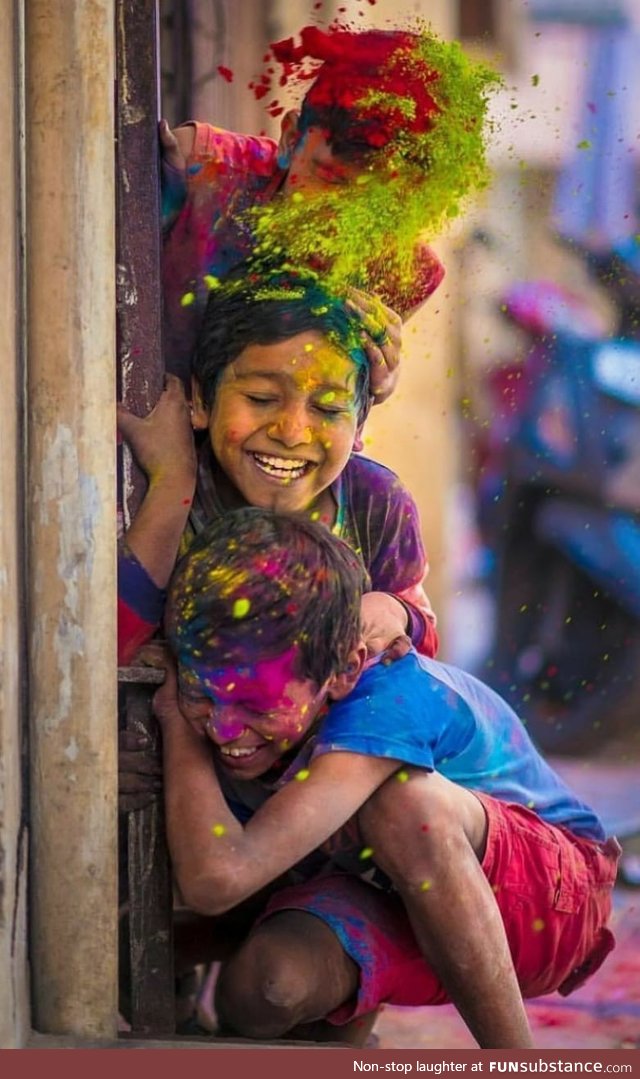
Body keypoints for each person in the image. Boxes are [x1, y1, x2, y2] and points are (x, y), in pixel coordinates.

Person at [154, 507, 619, 1050]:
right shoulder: (255, 698)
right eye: (201, 693)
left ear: (346, 670)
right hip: (396, 903)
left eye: (256, 705)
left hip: (552, 904)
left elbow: (218, 880)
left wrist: (175, 717)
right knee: (268, 988)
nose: (224, 727)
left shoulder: (386, 702)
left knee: (401, 806)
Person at [118, 268, 438, 672]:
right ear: (201, 399)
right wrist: (173, 485)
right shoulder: (158, 482)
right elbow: (107, 646)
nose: (291, 433)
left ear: (359, 425)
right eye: (261, 398)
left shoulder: (376, 502)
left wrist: (395, 612)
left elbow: (422, 635)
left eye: (327, 408)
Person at [160, 24, 499, 385]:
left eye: (384, 206)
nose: (346, 219)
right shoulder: (202, 168)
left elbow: (311, 414)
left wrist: (372, 382)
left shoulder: (401, 274)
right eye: (333, 179)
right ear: (291, 139)